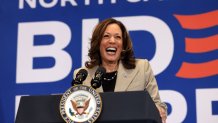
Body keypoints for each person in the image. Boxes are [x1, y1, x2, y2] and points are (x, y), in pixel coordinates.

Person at [73, 18, 167, 122]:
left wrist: (160, 110)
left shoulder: (142, 68)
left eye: (118, 37)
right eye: (106, 36)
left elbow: (157, 104)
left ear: (123, 45)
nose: (112, 41)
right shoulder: (82, 75)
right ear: (98, 43)